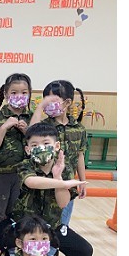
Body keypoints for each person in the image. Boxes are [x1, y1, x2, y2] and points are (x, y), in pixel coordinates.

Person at [4, 122, 94, 256]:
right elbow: (31, 182)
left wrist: (58, 176)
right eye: (35, 145)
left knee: (84, 250)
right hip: (23, 226)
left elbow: (63, 203)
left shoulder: (64, 168)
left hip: (51, 227)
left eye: (46, 143)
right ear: (28, 149)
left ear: (56, 146)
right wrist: (63, 183)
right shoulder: (24, 165)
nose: (41, 148)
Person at [30, 80, 88, 228]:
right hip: (44, 183)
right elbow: (31, 132)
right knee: (39, 226)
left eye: (52, 101)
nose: (48, 104)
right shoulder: (44, 126)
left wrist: (83, 181)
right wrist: (40, 107)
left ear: (67, 102)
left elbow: (80, 155)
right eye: (46, 101)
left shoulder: (79, 129)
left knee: (62, 226)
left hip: (66, 184)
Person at [0, 73, 34, 231]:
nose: (19, 96)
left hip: (25, 174)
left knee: (20, 213)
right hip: (1, 174)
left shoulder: (32, 118)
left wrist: (27, 131)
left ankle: (15, 242)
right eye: (14, 92)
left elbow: (38, 146)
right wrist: (4, 128)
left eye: (24, 92)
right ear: (6, 95)